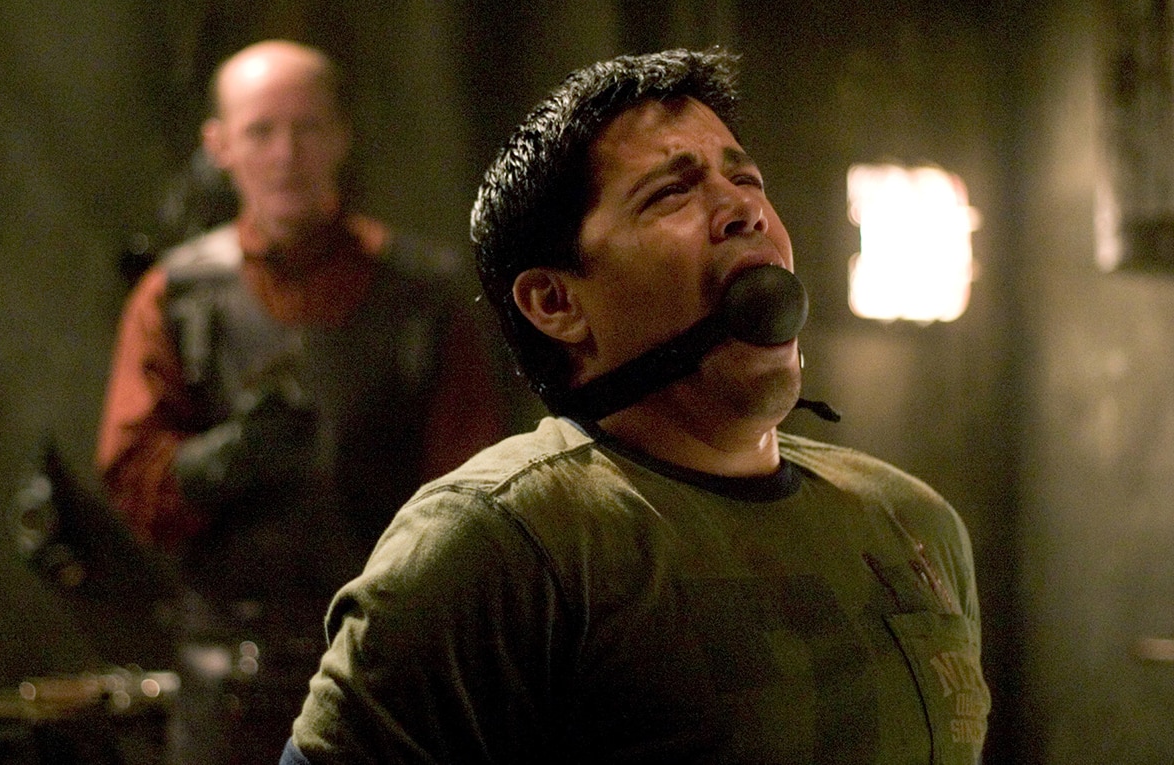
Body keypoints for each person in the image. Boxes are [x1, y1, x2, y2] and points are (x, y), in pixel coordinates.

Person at [282, 47, 989, 764]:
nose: (744, 209)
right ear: (555, 301)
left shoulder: (914, 524)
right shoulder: (494, 546)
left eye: (746, 179)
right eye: (671, 194)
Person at [95, 40, 506, 761]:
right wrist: (222, 461)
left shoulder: (421, 294)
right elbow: (133, 477)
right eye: (260, 130)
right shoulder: (178, 296)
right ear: (220, 145)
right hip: (227, 675)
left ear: (340, 136)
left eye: (307, 127)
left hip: (381, 666)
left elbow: (473, 493)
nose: (285, 154)